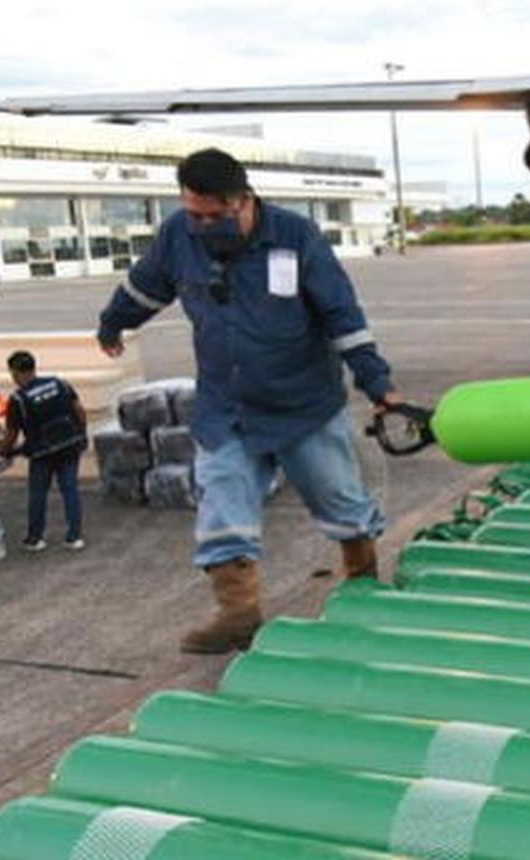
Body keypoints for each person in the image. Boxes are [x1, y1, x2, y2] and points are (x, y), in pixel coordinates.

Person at [96, 147, 400, 654]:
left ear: (244, 199)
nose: (203, 225)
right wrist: (113, 323)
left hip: (303, 402)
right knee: (221, 507)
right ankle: (238, 615)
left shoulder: (295, 237)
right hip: (227, 406)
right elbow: (146, 286)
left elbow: (341, 313)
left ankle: (363, 581)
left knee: (342, 502)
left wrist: (377, 382)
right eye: (195, 214)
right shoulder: (177, 235)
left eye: (215, 215)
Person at [0, 351, 88, 552]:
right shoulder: (59, 383)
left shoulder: (18, 399)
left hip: (42, 454)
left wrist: (3, 451)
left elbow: (11, 433)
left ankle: (35, 539)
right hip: (69, 445)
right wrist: (82, 435)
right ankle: (74, 537)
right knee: (70, 490)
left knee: (38, 494)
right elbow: (79, 411)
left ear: (15, 372)